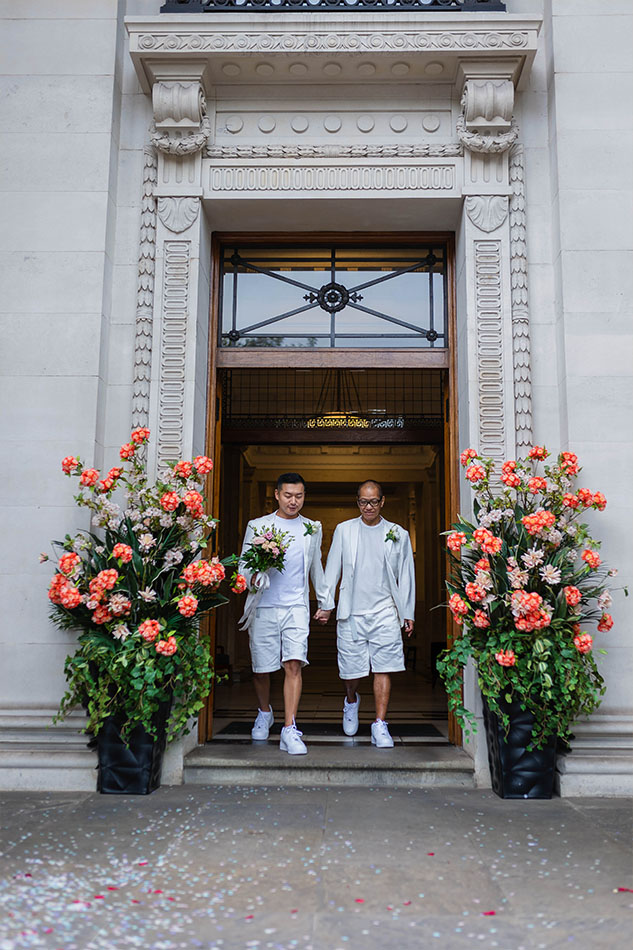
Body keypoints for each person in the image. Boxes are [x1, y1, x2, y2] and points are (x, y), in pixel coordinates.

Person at [315, 480, 415, 748]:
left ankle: (380, 724)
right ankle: (351, 700)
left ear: (382, 502)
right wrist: (326, 604)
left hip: (385, 612)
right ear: (357, 502)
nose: (368, 507)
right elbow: (332, 567)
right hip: (351, 612)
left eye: (373, 501)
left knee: (384, 667)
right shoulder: (345, 530)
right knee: (351, 671)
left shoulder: (398, 533)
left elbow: (405, 576)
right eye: (362, 502)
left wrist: (408, 612)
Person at [239, 473, 332, 755]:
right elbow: (243, 568)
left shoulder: (311, 528)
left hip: (296, 607)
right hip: (264, 605)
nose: (294, 501)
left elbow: (316, 566)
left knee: (294, 664)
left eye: (299, 496)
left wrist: (325, 602)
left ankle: (289, 728)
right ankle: (264, 711)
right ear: (277, 495)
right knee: (262, 669)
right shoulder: (258, 526)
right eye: (289, 496)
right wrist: (255, 575)